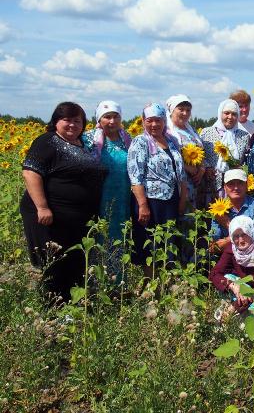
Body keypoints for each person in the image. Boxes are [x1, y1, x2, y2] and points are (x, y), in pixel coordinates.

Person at [20, 102, 107, 302]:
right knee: (55, 261)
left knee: (75, 260)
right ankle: (52, 307)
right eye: (66, 120)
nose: (72, 125)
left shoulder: (83, 145)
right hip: (50, 216)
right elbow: (31, 172)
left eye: (77, 121)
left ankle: (72, 305)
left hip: (77, 219)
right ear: (56, 121)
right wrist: (42, 207)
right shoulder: (47, 141)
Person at [127, 103, 187, 276]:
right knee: (149, 243)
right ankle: (151, 286)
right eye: (150, 120)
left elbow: (180, 173)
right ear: (143, 121)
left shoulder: (172, 141)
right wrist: (143, 205)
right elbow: (135, 175)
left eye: (158, 120)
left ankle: (166, 284)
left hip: (171, 200)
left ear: (164, 121)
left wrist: (182, 199)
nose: (154, 125)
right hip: (150, 201)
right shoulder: (140, 142)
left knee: (169, 242)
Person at [84, 100, 132, 281]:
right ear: (99, 119)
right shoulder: (89, 139)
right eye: (107, 117)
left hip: (122, 198)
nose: (112, 121)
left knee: (120, 236)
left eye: (115, 116)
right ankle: (96, 282)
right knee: (98, 236)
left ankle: (117, 281)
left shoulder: (126, 139)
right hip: (98, 197)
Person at [208, 169, 254, 255]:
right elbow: (212, 247)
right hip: (228, 257)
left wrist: (228, 228)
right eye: (231, 184)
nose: (236, 188)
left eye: (240, 183)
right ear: (224, 187)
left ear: (246, 186)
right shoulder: (218, 209)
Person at [201, 99, 250, 200]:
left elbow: (247, 160)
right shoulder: (206, 132)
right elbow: (201, 155)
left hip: (234, 187)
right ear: (220, 113)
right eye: (226, 113)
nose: (230, 117)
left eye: (234, 114)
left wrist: (241, 167)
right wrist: (206, 167)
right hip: (211, 185)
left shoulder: (244, 136)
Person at [165, 94, 206, 210]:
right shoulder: (167, 131)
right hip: (178, 183)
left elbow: (201, 151)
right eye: (181, 109)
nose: (185, 113)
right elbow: (167, 155)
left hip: (195, 183)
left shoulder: (191, 130)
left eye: (188, 110)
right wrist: (187, 167)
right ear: (172, 110)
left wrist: (201, 169)